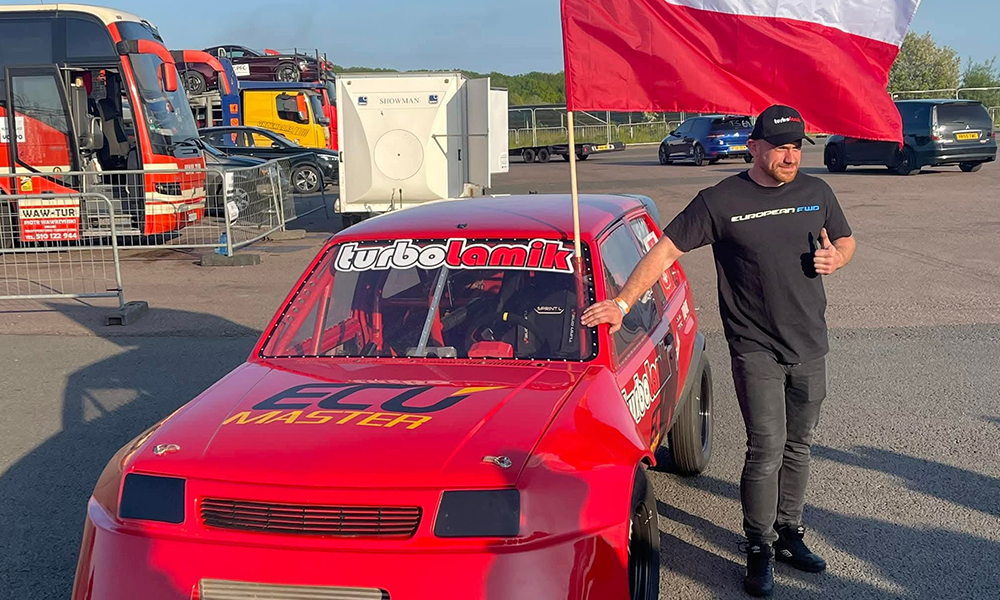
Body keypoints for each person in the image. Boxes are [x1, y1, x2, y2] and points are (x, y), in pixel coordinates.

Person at [582, 105, 856, 597]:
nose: (790, 156)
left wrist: (838, 257)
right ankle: (759, 546)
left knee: (799, 444)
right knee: (766, 447)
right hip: (755, 347)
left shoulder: (817, 192)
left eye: (796, 147)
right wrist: (623, 302)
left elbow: (846, 240)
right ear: (754, 147)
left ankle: (789, 532)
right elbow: (665, 250)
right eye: (780, 147)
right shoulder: (721, 200)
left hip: (810, 343)